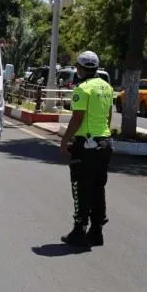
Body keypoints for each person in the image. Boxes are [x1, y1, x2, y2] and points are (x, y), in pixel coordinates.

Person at [59, 51, 114, 247]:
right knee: (98, 187)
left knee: (80, 187)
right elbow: (109, 116)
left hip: (86, 144)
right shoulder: (107, 87)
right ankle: (96, 231)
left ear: (80, 69)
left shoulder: (82, 89)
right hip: (105, 142)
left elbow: (77, 119)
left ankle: (79, 229)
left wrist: (65, 141)